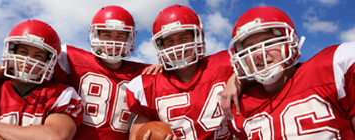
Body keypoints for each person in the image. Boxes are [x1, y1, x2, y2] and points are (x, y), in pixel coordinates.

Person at [0, 5, 162, 140]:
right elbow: (26, 67)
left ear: (131, 38)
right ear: (93, 34)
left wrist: (165, 70)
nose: (112, 42)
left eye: (120, 36)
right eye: (106, 34)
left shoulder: (146, 73)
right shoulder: (68, 57)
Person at [226, 6, 355, 139]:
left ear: (288, 45)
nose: (259, 53)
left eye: (268, 42)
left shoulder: (332, 71)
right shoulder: (241, 108)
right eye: (249, 49)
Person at [0, 19, 83, 139]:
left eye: (38, 55)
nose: (28, 60)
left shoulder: (61, 95)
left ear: (49, 61)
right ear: (12, 52)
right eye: (23, 52)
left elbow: (54, 136)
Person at [126, 4, 233, 140]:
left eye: (183, 38)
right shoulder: (149, 84)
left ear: (197, 37)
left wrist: (236, 78)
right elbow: (135, 136)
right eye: (169, 41)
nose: (177, 46)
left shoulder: (225, 65)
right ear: (160, 46)